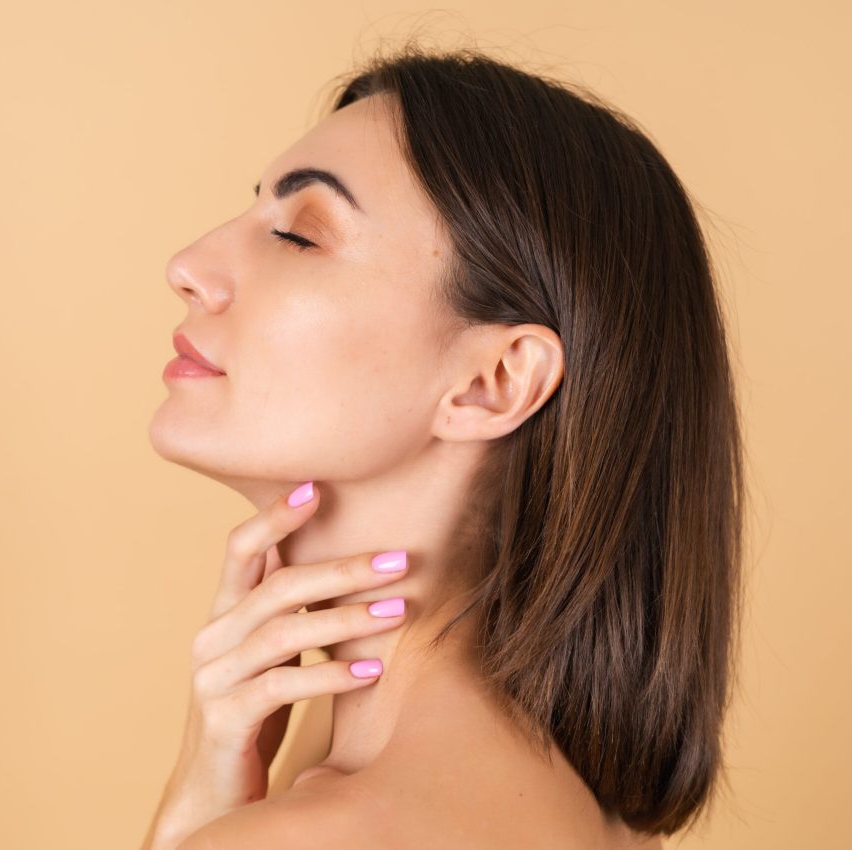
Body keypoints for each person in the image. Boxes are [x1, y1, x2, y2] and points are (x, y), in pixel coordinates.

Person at [141, 43, 745, 850]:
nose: (189, 267)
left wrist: (187, 820)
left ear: (494, 381)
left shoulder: (319, 833)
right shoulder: (580, 810)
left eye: (298, 235)